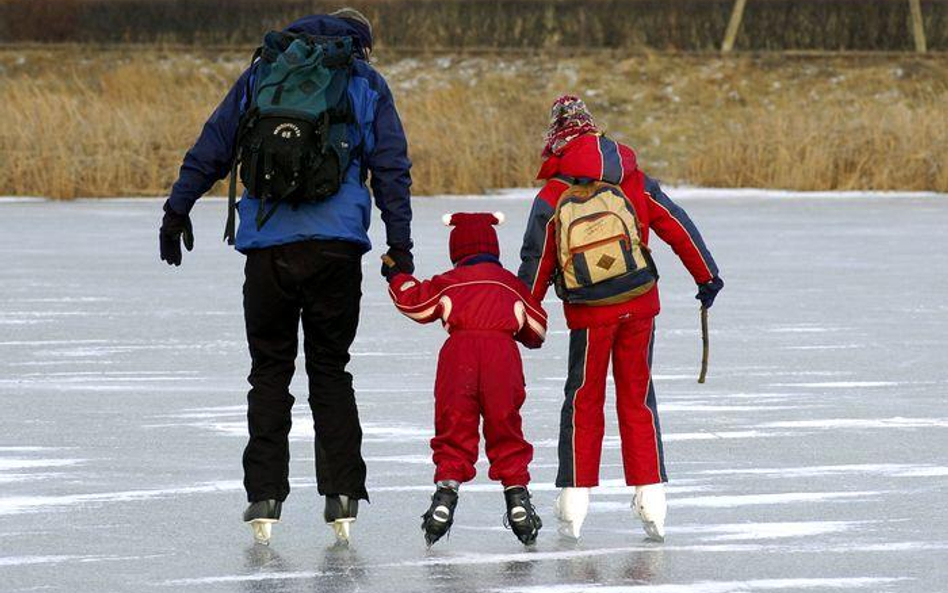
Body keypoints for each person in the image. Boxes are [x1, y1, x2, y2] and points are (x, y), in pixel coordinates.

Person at [158, 9, 414, 545]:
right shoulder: (365, 82)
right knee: (330, 371)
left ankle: (264, 497)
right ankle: (342, 496)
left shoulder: (263, 72)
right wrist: (400, 245)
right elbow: (391, 167)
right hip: (336, 250)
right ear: (360, 45)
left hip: (268, 250)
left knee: (269, 372)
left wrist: (177, 209)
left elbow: (215, 144)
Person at [517, 95, 723, 542]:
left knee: (584, 397)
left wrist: (523, 316)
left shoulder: (554, 193)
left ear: (556, 138)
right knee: (637, 397)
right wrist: (706, 276)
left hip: (589, 313)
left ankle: (574, 501)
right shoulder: (633, 178)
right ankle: (652, 499)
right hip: (639, 304)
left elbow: (536, 261)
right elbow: (676, 224)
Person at [385, 212, 548, 547]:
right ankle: (517, 498)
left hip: (458, 355)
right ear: (494, 247)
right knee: (506, 426)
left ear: (455, 250)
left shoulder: (449, 282)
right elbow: (537, 329)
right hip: (502, 356)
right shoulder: (509, 284)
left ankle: (445, 495)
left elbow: (414, 304)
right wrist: (516, 330)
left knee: (454, 424)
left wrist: (398, 276)